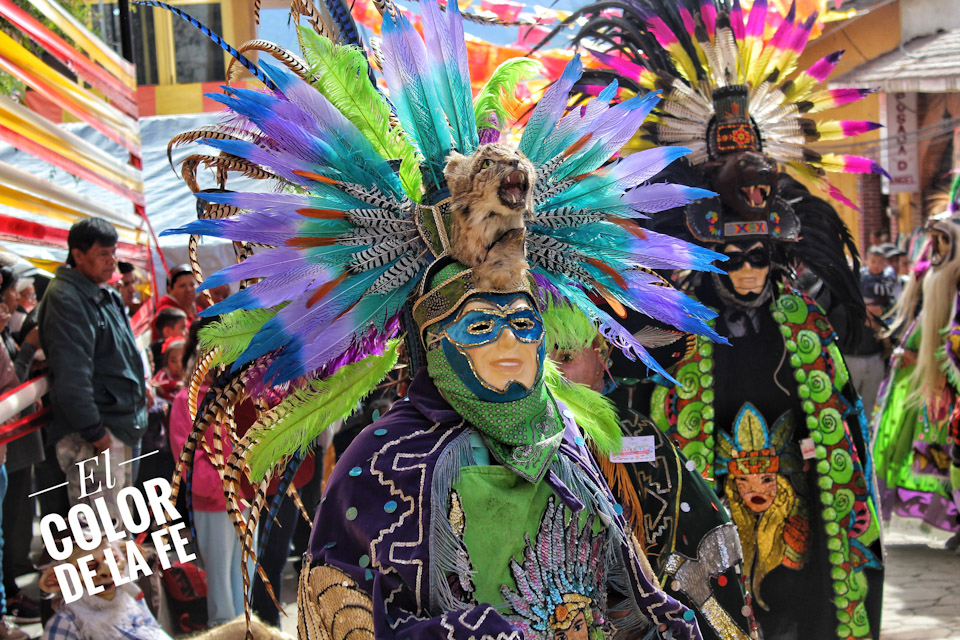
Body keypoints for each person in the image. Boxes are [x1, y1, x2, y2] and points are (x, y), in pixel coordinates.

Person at [157, 0, 733, 634]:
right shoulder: (381, 462)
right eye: (480, 327)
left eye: (524, 324)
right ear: (435, 342)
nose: (512, 344)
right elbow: (338, 618)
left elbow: (630, 591)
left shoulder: (566, 439)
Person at [566, 2, 884, 638]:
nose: (747, 273)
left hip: (795, 517)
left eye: (760, 258)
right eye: (733, 259)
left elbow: (841, 419)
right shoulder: (674, 322)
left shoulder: (803, 320)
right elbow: (637, 414)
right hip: (703, 511)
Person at [541, 294, 759, 640]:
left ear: (603, 357)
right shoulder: (512, 438)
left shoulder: (639, 436)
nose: (551, 370)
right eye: (540, 355)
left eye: (566, 356)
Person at [37, 217, 147, 522]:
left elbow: (122, 354)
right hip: (97, 434)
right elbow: (72, 374)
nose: (112, 261)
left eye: (113, 252)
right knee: (101, 537)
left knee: (118, 532)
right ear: (78, 254)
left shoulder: (104, 293)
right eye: (103, 254)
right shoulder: (66, 298)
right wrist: (95, 433)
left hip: (120, 426)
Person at [872, 197, 960, 546]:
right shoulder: (934, 279)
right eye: (934, 240)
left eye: (943, 240)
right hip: (933, 388)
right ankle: (953, 519)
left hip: (946, 385)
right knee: (943, 453)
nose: (935, 248)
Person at [152, 265, 199, 338]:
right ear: (170, 289)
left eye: (192, 285)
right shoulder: (166, 316)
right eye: (182, 286)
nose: (189, 289)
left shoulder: (197, 308)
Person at [150, 336, 185, 403]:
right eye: (173, 361)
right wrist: (174, 384)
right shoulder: (164, 373)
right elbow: (156, 383)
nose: (178, 365)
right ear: (167, 361)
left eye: (182, 360)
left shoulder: (190, 375)